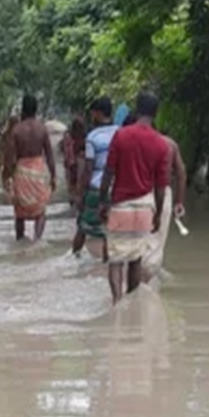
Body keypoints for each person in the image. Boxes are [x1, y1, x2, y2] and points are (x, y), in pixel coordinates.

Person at [98, 91, 171, 305]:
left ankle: (117, 303)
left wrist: (103, 201)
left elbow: (109, 173)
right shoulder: (160, 144)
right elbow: (160, 186)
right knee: (136, 258)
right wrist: (157, 212)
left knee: (116, 259)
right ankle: (131, 302)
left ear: (136, 109)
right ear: (156, 114)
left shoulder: (121, 136)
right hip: (144, 207)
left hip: (121, 205)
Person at [71, 98, 127, 259]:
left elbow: (88, 169)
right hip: (117, 189)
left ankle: (74, 260)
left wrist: (79, 194)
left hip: (96, 188)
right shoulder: (121, 133)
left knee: (82, 226)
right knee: (109, 233)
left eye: (92, 113)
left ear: (98, 113)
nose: (91, 116)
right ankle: (106, 267)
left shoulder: (93, 137)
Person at [7, 94, 57, 241]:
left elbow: (10, 157)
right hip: (37, 170)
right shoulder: (42, 129)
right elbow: (49, 155)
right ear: (36, 109)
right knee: (40, 211)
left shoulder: (16, 130)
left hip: (21, 171)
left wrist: (9, 178)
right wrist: (53, 176)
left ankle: (20, 241)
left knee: (19, 212)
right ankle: (37, 240)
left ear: (23, 109)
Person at [142, 131, 188, 283]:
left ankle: (139, 284)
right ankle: (149, 282)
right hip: (163, 192)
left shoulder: (136, 142)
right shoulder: (170, 144)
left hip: (140, 192)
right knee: (157, 239)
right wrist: (179, 201)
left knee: (139, 239)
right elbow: (181, 173)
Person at [60, 116, 87, 206]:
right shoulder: (84, 136)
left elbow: (65, 150)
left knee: (72, 182)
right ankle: (76, 199)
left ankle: (73, 198)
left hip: (71, 163)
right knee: (77, 181)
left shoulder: (69, 136)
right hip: (78, 163)